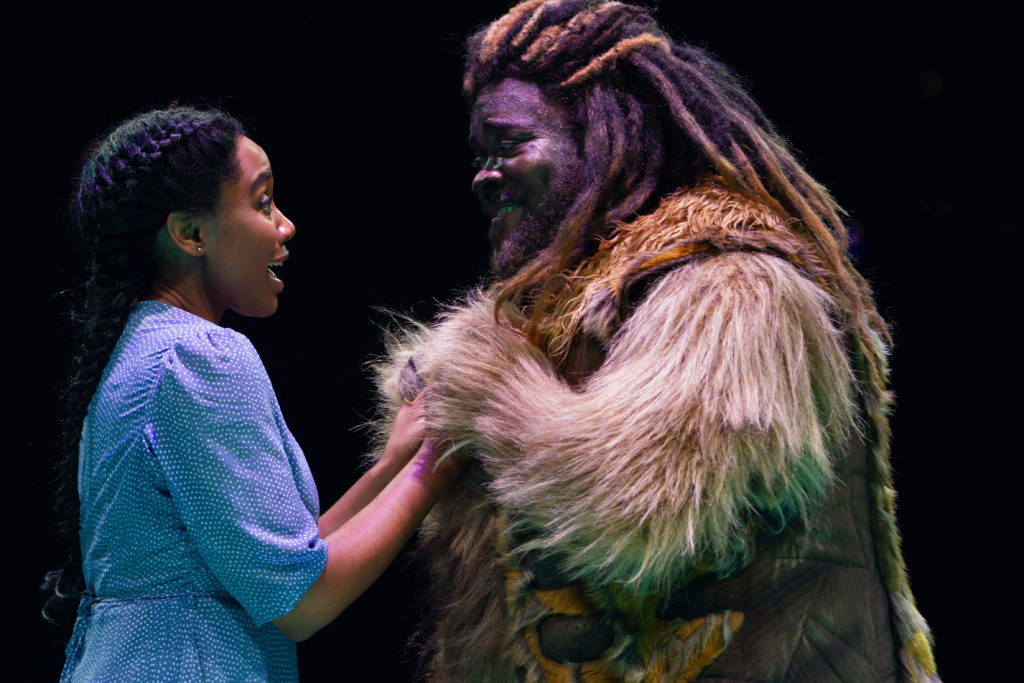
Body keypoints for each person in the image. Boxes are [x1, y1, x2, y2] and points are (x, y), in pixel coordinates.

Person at [371, 1, 939, 681]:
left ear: (610, 131)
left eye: (509, 143)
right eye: (479, 153)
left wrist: (486, 378)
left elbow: (638, 510)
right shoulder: (587, 291)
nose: (483, 174)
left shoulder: (737, 287)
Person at [46, 106, 461, 682]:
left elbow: (272, 562)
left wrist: (393, 464)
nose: (285, 225)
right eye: (263, 202)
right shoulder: (200, 358)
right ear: (191, 234)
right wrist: (438, 460)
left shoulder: (139, 351)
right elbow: (302, 602)